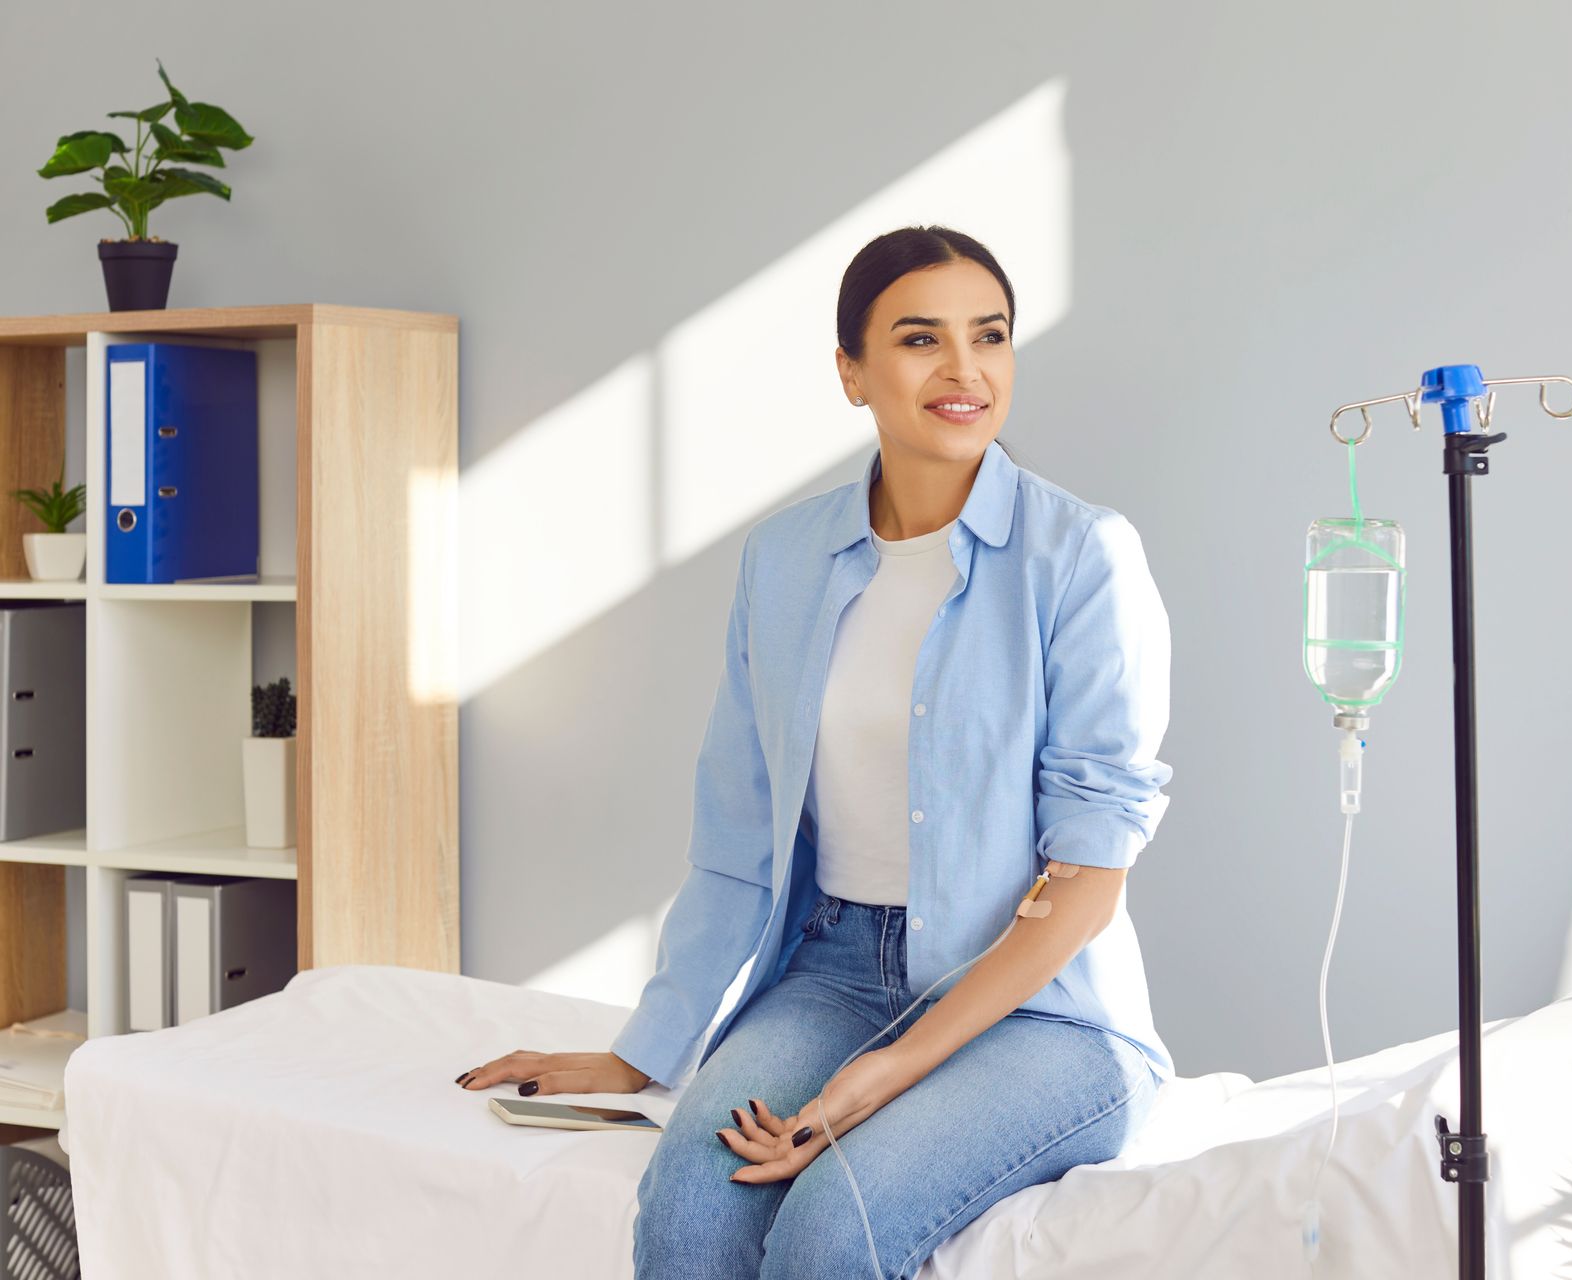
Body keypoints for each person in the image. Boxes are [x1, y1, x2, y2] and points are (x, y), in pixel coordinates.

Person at [456, 225, 1176, 1279]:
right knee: (693, 1212)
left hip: (1041, 1008)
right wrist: (643, 1048)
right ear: (852, 372)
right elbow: (738, 833)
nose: (965, 369)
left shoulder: (1082, 556)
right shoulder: (786, 558)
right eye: (921, 338)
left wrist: (884, 1073)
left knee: (831, 1228)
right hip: (833, 970)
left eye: (992, 335)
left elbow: (1086, 879)